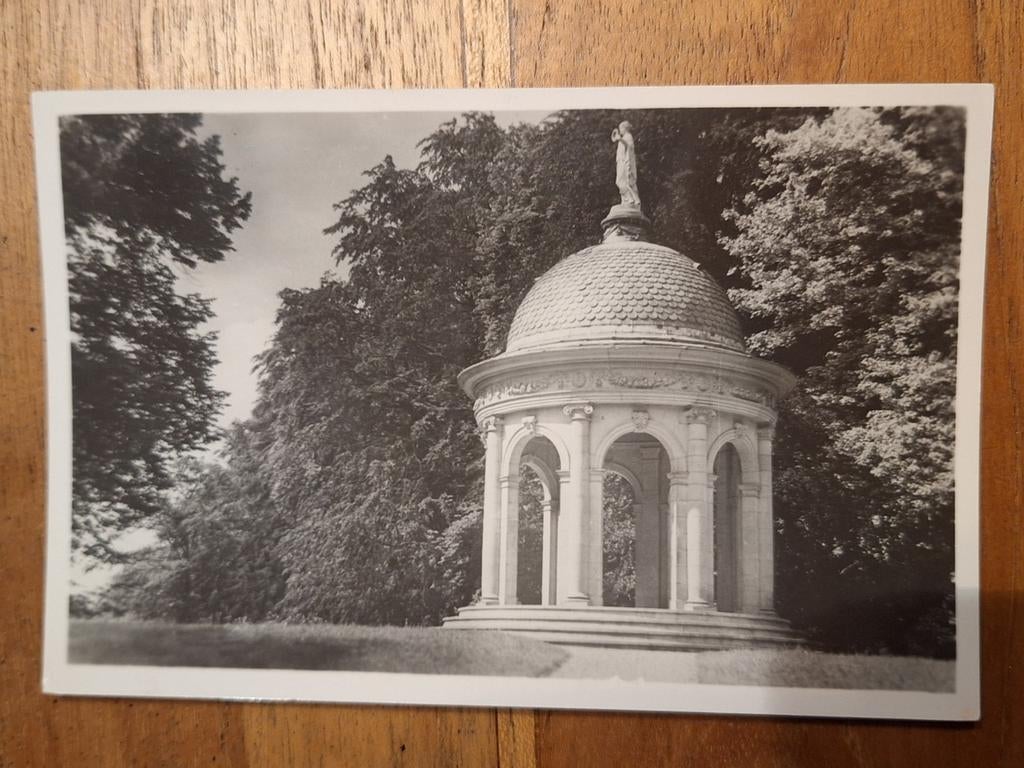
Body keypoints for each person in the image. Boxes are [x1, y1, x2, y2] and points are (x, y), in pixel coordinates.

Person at [611, 121, 641, 208]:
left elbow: (629, 146)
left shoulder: (628, 136)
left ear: (625, 128)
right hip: (620, 162)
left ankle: (631, 199)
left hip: (624, 162)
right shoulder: (624, 137)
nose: (620, 131)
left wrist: (619, 138)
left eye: (621, 129)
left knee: (621, 181)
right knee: (620, 182)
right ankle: (627, 200)